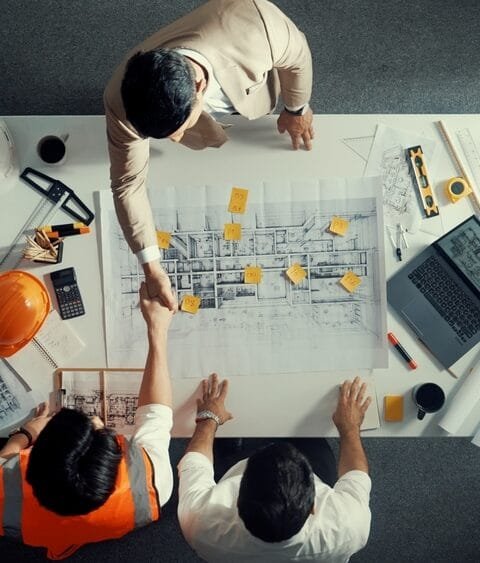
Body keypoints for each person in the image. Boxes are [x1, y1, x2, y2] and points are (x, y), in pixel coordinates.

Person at [104, 0, 314, 311]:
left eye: (177, 129)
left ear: (199, 85)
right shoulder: (120, 100)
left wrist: (296, 108)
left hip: (246, 74)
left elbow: (298, 57)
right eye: (162, 136)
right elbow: (127, 186)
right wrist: (152, 267)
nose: (176, 140)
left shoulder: (262, 28)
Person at [0, 283, 174, 560]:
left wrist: (27, 432)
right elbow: (157, 413)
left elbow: (5, 460)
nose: (95, 417)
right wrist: (158, 329)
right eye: (99, 427)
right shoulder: (153, 485)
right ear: (115, 456)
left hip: (33, 533)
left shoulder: (4, 500)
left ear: (30, 464)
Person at [178, 373, 372, 562]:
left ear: (237, 502)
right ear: (313, 506)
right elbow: (355, 475)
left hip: (240, 460)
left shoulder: (199, 522)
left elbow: (195, 462)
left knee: (226, 441)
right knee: (311, 430)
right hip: (312, 463)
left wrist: (209, 417)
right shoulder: (348, 526)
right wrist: (350, 428)